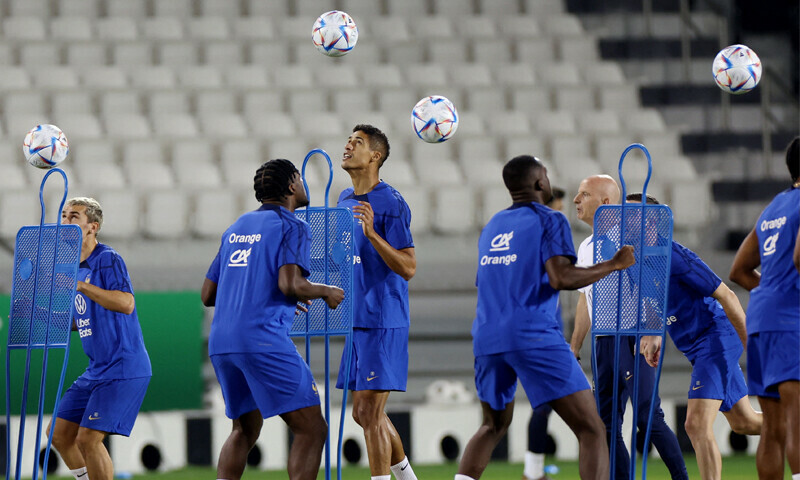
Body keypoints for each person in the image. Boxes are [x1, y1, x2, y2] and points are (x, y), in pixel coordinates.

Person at [455, 155, 636, 480]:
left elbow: (483, 282)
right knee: (592, 428)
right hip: (533, 335)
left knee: (492, 426)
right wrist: (614, 264)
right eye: (546, 174)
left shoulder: (492, 226)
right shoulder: (550, 220)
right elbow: (561, 277)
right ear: (540, 182)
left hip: (487, 337)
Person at [201, 159, 345, 480]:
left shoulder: (236, 227)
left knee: (244, 429)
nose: (304, 184)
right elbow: (291, 284)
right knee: (311, 428)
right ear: (292, 185)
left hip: (222, 342)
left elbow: (208, 295)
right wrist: (326, 291)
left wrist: (264, 296)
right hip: (261, 340)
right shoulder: (293, 225)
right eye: (300, 178)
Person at [629, 193, 762, 480]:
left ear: (651, 222)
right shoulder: (634, 261)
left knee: (696, 425)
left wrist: (753, 345)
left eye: (631, 216)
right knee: (745, 422)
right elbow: (654, 300)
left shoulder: (675, 256)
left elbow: (726, 295)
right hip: (694, 346)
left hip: (715, 337)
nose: (624, 222)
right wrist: (654, 334)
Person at [569, 176, 688, 480]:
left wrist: (651, 331)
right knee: (606, 424)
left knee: (648, 417)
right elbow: (586, 299)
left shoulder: (627, 242)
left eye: (584, 194)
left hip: (633, 337)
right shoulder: (586, 247)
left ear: (605, 203)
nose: (576, 200)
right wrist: (575, 344)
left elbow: (652, 287)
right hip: (602, 343)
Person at [335, 124, 418, 480]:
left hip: (383, 316)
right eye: (349, 140)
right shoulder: (343, 201)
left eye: (358, 142)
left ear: (375, 156)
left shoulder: (391, 202)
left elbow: (409, 266)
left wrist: (373, 235)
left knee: (369, 412)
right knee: (362, 414)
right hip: (356, 319)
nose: (348, 145)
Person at [49, 197, 151, 480]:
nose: (66, 221)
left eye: (74, 217)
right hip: (96, 370)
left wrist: (80, 285)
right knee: (58, 434)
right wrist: (43, 318)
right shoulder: (72, 266)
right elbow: (79, 320)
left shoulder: (107, 258)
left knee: (88, 438)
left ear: (92, 227)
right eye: (64, 215)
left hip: (123, 366)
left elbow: (126, 303)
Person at [729, 136, 799, 480]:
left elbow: (739, 270)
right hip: (791, 322)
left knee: (773, 428)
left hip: (762, 321)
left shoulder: (775, 206)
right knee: (798, 420)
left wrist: (775, 292)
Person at [522, 186, 565, 480]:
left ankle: (534, 471)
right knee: (545, 405)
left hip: (550, 334)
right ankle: (532, 472)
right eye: (557, 207)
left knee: (545, 406)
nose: (561, 213)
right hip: (540, 337)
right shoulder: (540, 242)